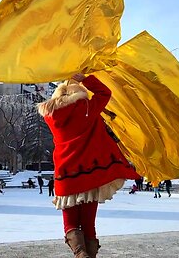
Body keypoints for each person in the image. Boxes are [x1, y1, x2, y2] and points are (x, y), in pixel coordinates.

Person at [37, 73, 140, 257]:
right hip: (91, 176)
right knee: (88, 224)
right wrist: (84, 78)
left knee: (70, 225)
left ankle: (80, 254)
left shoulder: (50, 115)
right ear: (79, 94)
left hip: (66, 175)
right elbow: (104, 92)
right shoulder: (87, 108)